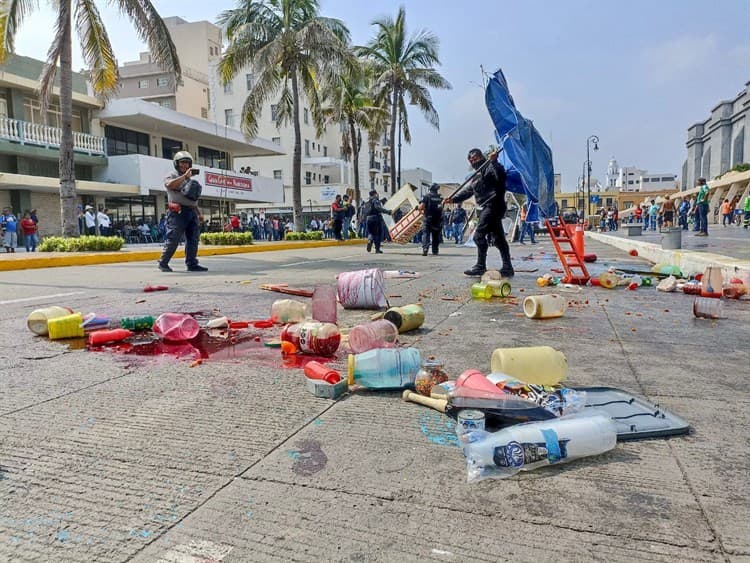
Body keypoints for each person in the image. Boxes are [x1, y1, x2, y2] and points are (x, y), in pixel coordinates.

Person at [444, 148, 514, 277]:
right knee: (498, 239)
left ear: (482, 156)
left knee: (478, 236)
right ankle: (508, 266)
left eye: (475, 158)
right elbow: (468, 191)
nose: (473, 161)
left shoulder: (490, 167)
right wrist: (453, 199)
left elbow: (501, 177)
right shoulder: (476, 176)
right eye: (470, 160)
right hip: (486, 206)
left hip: (494, 205)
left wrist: (494, 162)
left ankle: (480, 266)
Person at [158, 150, 207, 272]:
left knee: (193, 239)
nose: (185, 165)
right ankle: (163, 262)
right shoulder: (173, 175)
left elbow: (192, 199)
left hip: (191, 212)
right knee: (173, 238)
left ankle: (192, 263)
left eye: (187, 163)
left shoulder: (190, 180)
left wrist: (199, 214)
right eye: (182, 163)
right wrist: (185, 176)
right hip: (177, 212)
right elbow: (169, 185)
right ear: (177, 163)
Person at [419, 183, 444, 256]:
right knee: (435, 235)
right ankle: (435, 250)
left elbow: (422, 207)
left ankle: (425, 248)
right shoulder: (440, 198)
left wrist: (418, 208)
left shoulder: (427, 196)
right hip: (437, 219)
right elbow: (441, 208)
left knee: (426, 233)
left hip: (428, 218)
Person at [364, 189, 391, 253]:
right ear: (375, 194)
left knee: (371, 233)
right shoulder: (375, 200)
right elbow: (378, 208)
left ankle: (370, 240)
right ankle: (377, 249)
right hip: (375, 219)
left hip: (368, 219)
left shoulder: (367, 202)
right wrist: (388, 212)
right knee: (377, 234)